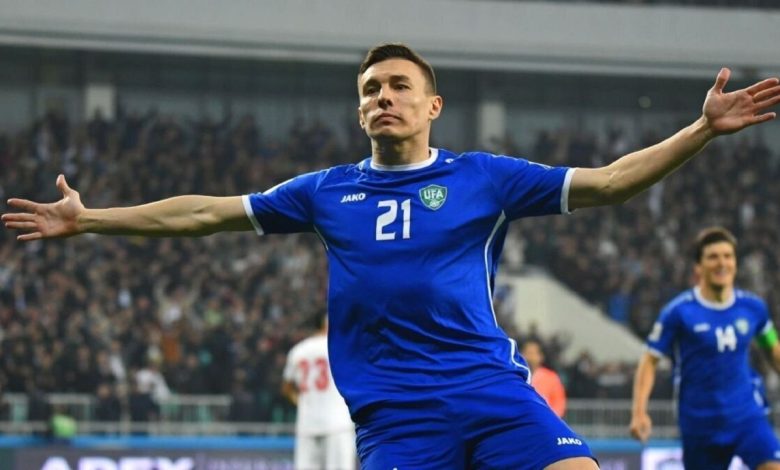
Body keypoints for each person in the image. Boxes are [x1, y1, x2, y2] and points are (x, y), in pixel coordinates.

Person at [3, 43, 779, 470]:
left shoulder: (485, 177)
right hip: (397, 418)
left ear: (431, 105)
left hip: (490, 391)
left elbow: (610, 183)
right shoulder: (325, 191)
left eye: (399, 86)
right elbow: (205, 213)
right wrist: (91, 218)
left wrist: (701, 131)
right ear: (359, 110)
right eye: (371, 88)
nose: (383, 96)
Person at [629, 227, 780, 470]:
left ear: (735, 263)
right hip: (700, 424)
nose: (722, 263)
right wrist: (639, 412)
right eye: (713, 257)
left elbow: (773, 349)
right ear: (698, 267)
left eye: (728, 256)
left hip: (746, 416)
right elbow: (650, 360)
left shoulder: (754, 308)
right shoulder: (678, 312)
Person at [281, 314, 356, 470]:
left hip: (307, 424)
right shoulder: (340, 347)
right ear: (327, 324)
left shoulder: (298, 351)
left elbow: (286, 388)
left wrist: (301, 402)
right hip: (337, 424)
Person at [522, 339, 567, 418]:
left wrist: (549, 420)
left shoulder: (551, 378)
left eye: (532, 353)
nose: (529, 357)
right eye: (526, 353)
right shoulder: (515, 376)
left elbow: (559, 404)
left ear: (541, 357)